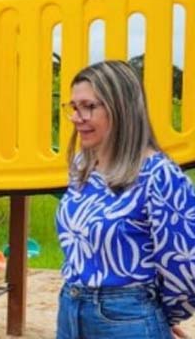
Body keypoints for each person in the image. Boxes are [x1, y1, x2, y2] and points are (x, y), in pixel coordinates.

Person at [55, 59, 195, 339]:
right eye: (74, 107)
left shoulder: (160, 175)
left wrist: (156, 313)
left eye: (89, 106)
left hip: (128, 318)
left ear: (121, 107)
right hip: (71, 310)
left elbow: (184, 264)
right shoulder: (83, 165)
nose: (77, 117)